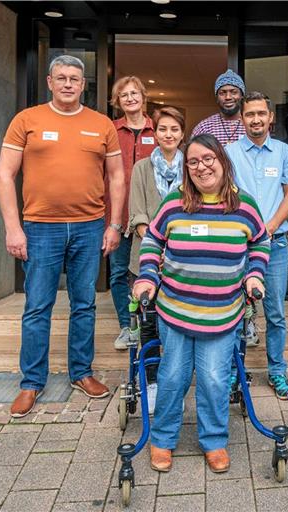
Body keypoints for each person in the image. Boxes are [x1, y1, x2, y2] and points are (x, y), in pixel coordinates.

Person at [132, 134, 270, 474]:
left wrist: (254, 275)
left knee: (213, 378)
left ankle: (214, 440)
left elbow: (260, 242)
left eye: (208, 159)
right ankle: (162, 439)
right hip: (176, 311)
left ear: (222, 160)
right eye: (193, 162)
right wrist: (147, 275)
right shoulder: (174, 203)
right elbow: (152, 239)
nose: (201, 167)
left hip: (222, 314)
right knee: (173, 376)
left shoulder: (244, 206)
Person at [0, 55, 125, 417]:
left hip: (89, 226)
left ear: (84, 85)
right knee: (38, 306)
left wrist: (114, 225)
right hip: (40, 227)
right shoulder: (27, 120)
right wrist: (12, 227)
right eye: (62, 78)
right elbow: (4, 175)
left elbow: (116, 177)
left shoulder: (101, 125)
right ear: (50, 82)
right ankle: (32, 382)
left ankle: (81, 373)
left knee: (84, 304)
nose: (68, 84)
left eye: (75, 79)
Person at [226, 91, 288, 400]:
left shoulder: (283, 152)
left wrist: (267, 229)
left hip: (275, 244)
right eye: (249, 114)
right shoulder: (228, 152)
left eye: (260, 113)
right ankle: (233, 374)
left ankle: (277, 372)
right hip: (236, 245)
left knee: (276, 312)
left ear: (270, 118)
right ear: (242, 119)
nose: (255, 119)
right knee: (232, 312)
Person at [127, 105, 186, 414]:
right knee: (149, 329)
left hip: (182, 262)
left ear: (182, 134)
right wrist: (157, 245)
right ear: (155, 131)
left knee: (178, 325)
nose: (168, 134)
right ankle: (151, 384)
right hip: (146, 260)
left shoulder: (192, 166)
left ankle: (177, 385)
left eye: (174, 129)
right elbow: (137, 212)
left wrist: (174, 247)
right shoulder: (140, 168)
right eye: (163, 129)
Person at [110, 76, 158, 351]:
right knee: (118, 272)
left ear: (143, 97)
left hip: (149, 219)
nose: (129, 98)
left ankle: (150, 324)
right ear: (117, 101)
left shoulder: (158, 128)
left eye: (134, 93)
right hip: (117, 214)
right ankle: (127, 327)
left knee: (147, 270)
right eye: (123, 95)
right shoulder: (111, 130)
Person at [190, 69, 246, 146]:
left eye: (233, 92)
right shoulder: (204, 128)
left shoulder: (251, 124)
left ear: (241, 95)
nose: (228, 97)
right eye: (222, 93)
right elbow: (192, 155)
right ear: (217, 98)